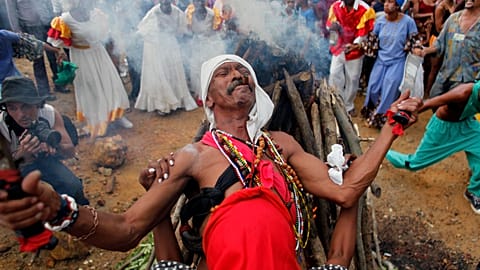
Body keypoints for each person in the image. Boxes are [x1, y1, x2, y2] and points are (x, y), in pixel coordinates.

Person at [0, 54, 422, 269]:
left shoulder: (282, 144)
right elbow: (128, 229)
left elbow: (346, 191)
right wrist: (62, 211)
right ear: (206, 97)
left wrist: (392, 127)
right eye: (224, 73)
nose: (237, 74)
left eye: (242, 70)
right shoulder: (192, 155)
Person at [386, 81, 480, 214]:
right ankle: (385, 153)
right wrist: (403, 118)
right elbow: (429, 103)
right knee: (414, 164)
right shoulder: (463, 93)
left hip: (467, 124)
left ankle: (474, 192)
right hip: (443, 129)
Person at [46, 0, 133, 139]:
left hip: (99, 54)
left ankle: (117, 116)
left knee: (110, 84)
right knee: (91, 88)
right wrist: (60, 53)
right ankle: (97, 123)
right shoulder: (65, 20)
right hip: (81, 58)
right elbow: (55, 42)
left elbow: (107, 35)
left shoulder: (97, 14)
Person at [0, 76, 89, 205]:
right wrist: (22, 155)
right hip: (18, 169)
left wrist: (55, 146)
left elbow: (70, 151)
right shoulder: (2, 125)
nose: (21, 114)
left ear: (36, 104)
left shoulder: (48, 113)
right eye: (12, 108)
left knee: (73, 187)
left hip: (47, 160)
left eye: (26, 106)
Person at [361, 0, 419, 129]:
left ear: (398, 5)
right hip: (381, 60)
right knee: (373, 87)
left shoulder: (408, 22)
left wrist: (417, 51)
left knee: (390, 88)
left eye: (390, 2)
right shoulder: (380, 20)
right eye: (386, 2)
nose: (387, 4)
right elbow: (372, 41)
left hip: (397, 61)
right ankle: (372, 113)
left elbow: (414, 41)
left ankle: (381, 119)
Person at [134, 0, 198, 115]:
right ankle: (162, 104)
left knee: (173, 72)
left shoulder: (177, 12)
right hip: (156, 47)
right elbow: (142, 31)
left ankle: (177, 101)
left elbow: (182, 30)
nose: (165, 2)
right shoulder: (153, 13)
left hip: (171, 44)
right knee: (160, 74)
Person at [5, 0, 68, 99]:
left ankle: (59, 83)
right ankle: (44, 91)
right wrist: (17, 31)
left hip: (47, 22)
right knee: (38, 60)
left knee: (53, 56)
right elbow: (11, 11)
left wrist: (54, 17)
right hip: (30, 26)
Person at [418, 0, 479, 98]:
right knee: (434, 97)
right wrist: (424, 51)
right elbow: (439, 44)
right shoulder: (453, 19)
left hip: (468, 80)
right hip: (446, 76)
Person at [326, 0, 376, 117]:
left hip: (355, 50)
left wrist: (355, 45)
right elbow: (331, 26)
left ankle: (348, 105)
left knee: (353, 78)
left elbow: (363, 33)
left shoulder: (365, 9)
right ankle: (337, 101)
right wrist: (333, 41)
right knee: (334, 73)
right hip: (338, 46)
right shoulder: (336, 6)